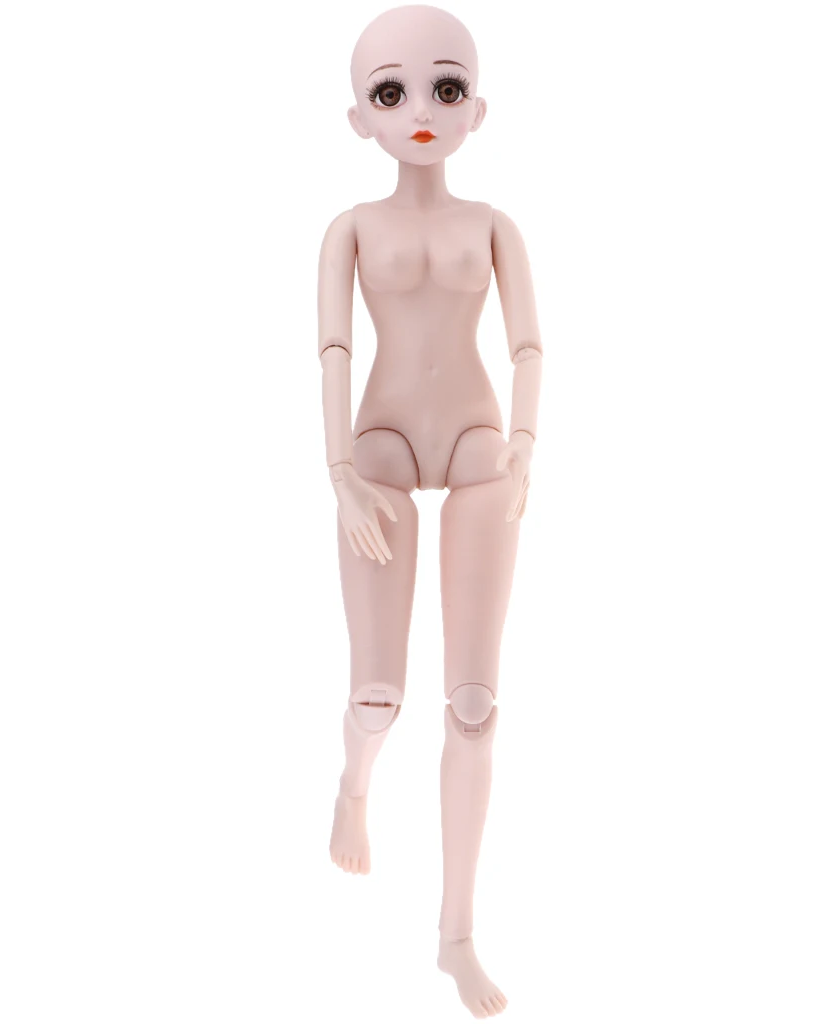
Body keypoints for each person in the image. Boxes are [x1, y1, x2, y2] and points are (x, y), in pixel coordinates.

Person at [317, 6, 542, 1017]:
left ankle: (456, 937)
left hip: (482, 444)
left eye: (446, 88)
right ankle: (354, 782)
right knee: (378, 695)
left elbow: (530, 346)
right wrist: (337, 469)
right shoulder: (348, 229)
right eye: (391, 91)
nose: (421, 109)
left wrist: (527, 443)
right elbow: (333, 352)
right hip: (379, 447)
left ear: (476, 109)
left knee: (475, 705)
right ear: (359, 116)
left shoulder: (493, 225)